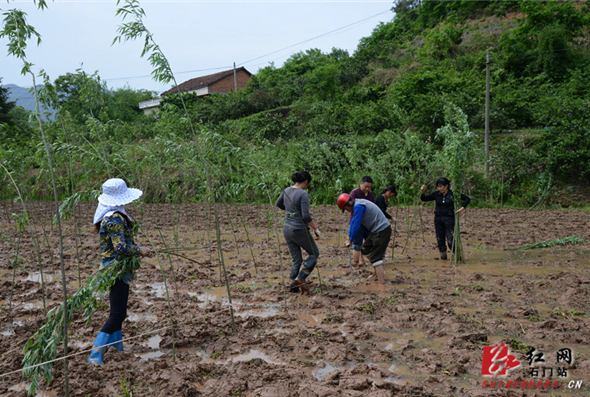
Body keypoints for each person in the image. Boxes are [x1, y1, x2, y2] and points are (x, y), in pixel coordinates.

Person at [88, 178, 153, 365]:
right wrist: (141, 250)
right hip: (116, 270)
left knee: (118, 311)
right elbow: (121, 248)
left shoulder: (109, 215)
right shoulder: (115, 219)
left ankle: (117, 348)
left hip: (115, 268)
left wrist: (140, 249)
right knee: (118, 314)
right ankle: (95, 355)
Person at [276, 171, 320, 294]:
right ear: (306, 181)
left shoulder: (287, 190)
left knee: (297, 260)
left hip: (287, 229)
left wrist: (289, 211)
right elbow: (306, 216)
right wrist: (316, 229)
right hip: (299, 229)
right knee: (314, 253)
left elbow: (278, 203)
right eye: (308, 183)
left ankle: (292, 288)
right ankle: (301, 277)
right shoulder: (303, 194)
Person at [338, 193, 391, 284]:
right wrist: (349, 236)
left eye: (345, 209)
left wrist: (351, 241)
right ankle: (376, 272)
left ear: (348, 204)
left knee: (376, 257)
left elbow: (357, 226)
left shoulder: (358, 206)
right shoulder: (357, 205)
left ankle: (382, 283)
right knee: (365, 249)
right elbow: (353, 222)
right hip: (376, 231)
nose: (347, 211)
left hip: (382, 230)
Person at [420, 178, 471, 260]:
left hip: (449, 218)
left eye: (441, 186)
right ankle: (443, 258)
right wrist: (423, 191)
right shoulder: (436, 194)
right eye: (438, 187)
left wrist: (462, 208)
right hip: (438, 219)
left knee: (450, 239)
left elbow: (467, 198)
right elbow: (424, 199)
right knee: (440, 239)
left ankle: (457, 256)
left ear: (447, 186)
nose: (440, 188)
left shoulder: (453, 194)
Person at [349, 176, 375, 266]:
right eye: (365, 186)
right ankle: (356, 264)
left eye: (369, 187)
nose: (367, 189)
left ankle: (373, 262)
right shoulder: (354, 193)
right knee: (357, 244)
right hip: (357, 222)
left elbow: (373, 207)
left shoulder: (370, 194)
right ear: (360, 184)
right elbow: (351, 209)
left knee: (369, 243)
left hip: (367, 224)